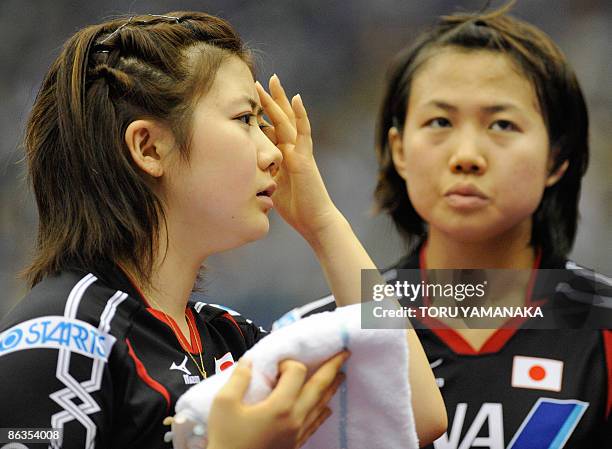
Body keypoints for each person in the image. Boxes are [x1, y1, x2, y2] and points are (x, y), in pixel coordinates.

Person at [0, 11, 446, 449]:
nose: (275, 152)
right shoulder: (59, 335)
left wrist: (324, 223)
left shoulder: (231, 337)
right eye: (246, 119)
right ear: (148, 147)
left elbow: (417, 414)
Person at [283, 3, 612, 448]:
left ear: (556, 156)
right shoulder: (315, 338)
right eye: (439, 122)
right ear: (398, 149)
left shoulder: (602, 331)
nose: (466, 155)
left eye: (502, 124)